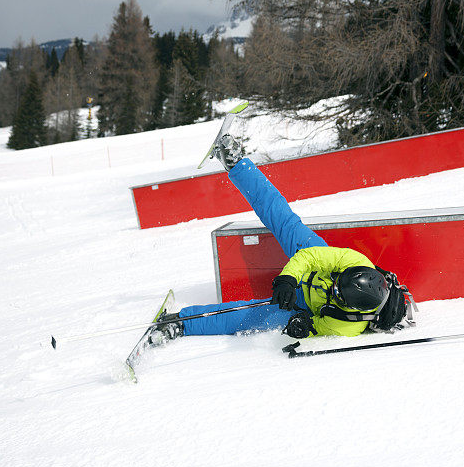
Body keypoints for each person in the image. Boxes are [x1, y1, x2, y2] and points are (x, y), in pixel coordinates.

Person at [154, 134, 414, 343]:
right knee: (281, 217)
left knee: (248, 317)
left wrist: (301, 326)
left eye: (337, 293)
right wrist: (288, 279)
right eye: (338, 283)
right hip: (314, 262)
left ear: (352, 307)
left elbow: (317, 327)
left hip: (303, 303)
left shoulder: (347, 326)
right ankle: (235, 161)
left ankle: (180, 324)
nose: (334, 288)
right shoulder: (354, 261)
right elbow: (309, 256)